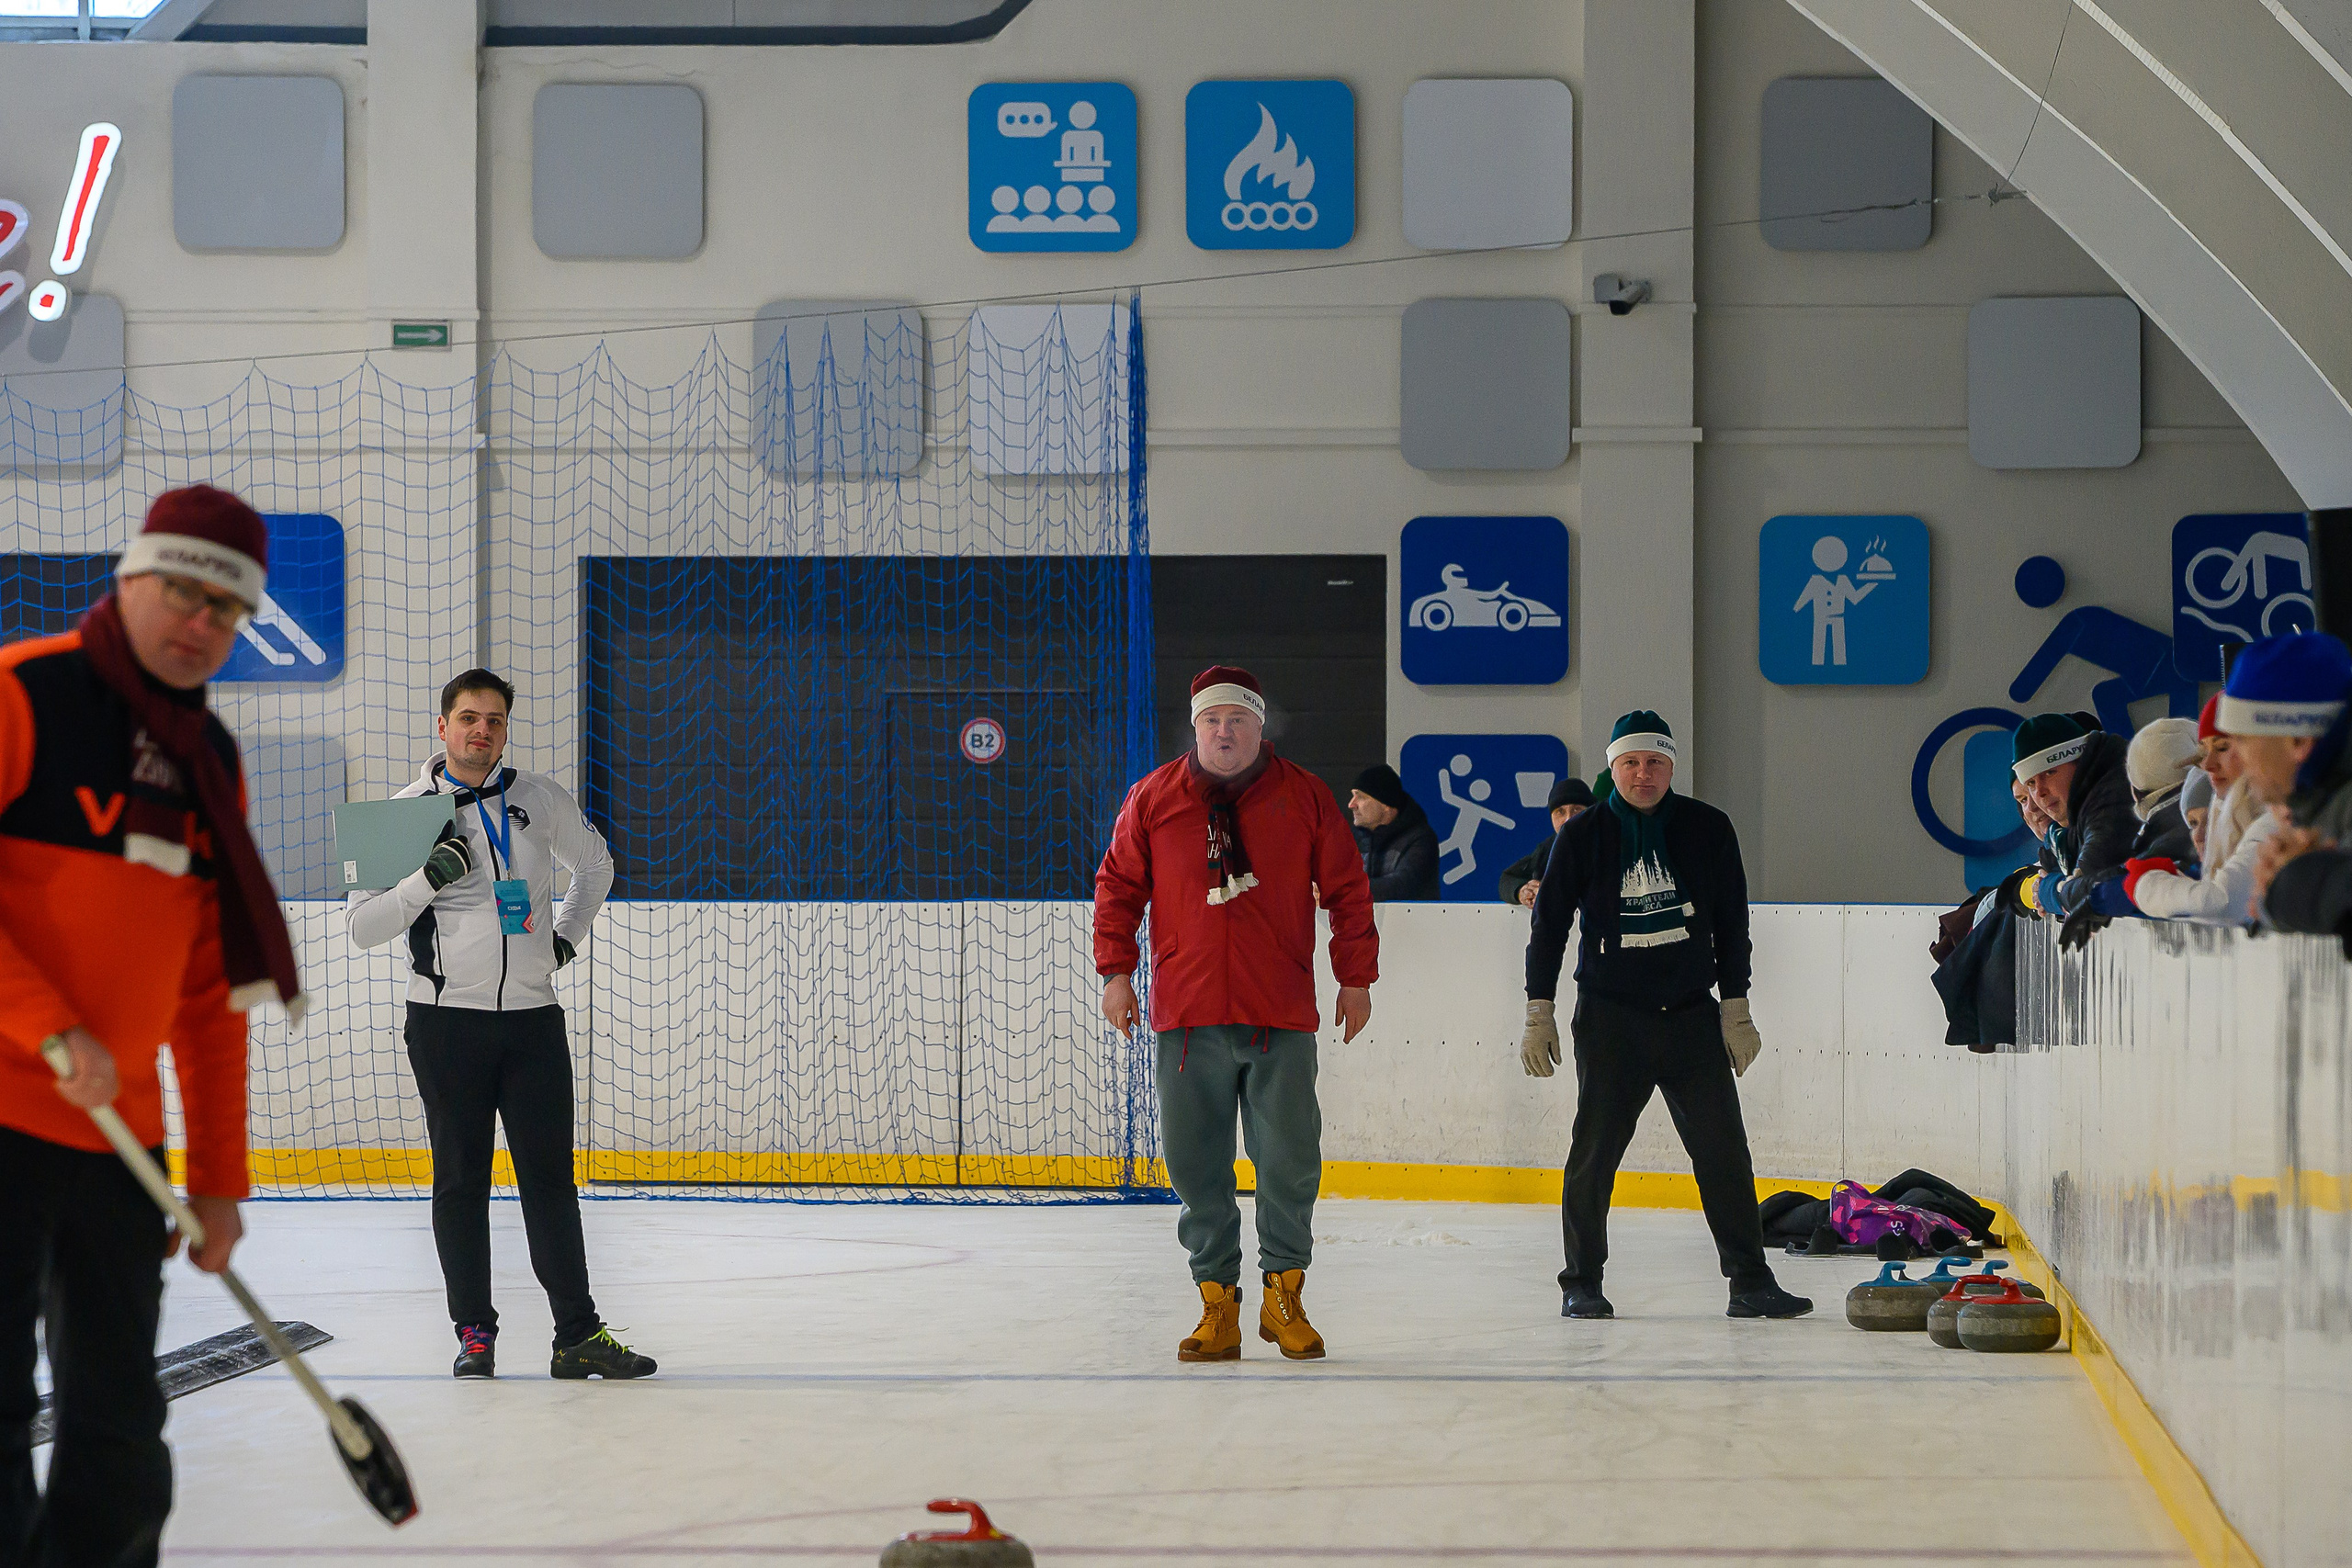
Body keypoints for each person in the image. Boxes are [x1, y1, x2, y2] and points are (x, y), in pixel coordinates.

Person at [0, 486, 305, 1564]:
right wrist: (45, 1024)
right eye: (182, 591)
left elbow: (208, 991)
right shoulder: (22, 694)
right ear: (129, 579)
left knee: (122, 1431)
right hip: (2, 1112)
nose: (200, 623)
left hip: (114, 1143)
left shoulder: (205, 762)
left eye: (225, 611)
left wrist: (219, 1176)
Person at [347, 669, 654, 1382]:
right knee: (461, 1181)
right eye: (467, 717)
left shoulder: (538, 798)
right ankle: (474, 1334)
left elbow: (597, 864)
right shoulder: (405, 811)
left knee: (551, 1181)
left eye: (493, 719)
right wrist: (425, 879)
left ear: (505, 729)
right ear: (442, 727)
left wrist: (566, 939)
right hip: (444, 1024)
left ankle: (577, 1334)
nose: (480, 729)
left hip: (532, 1022)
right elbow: (362, 925)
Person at [1095, 666, 1377, 1362]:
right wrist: (1116, 973)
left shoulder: (1305, 797)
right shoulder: (1155, 798)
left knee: (1288, 1163)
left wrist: (1355, 977)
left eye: (1238, 720)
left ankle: (1284, 1297)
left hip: (1277, 1013)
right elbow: (1119, 885)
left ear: (1260, 727)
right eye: (1212, 721)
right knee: (1197, 1168)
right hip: (1187, 1018)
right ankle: (1216, 1303)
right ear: (1196, 728)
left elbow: (1347, 888)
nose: (1225, 731)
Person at [1518, 710, 1810, 1322]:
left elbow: (1733, 922)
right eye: (1630, 762)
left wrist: (1736, 1007)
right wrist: (1537, 1010)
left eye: (1654, 761)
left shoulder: (1707, 828)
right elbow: (1549, 928)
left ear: (1672, 765)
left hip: (1689, 1018)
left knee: (1724, 1152)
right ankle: (1582, 1281)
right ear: (1612, 766)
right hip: (1610, 1018)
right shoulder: (1583, 835)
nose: (1642, 773)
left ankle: (1750, 1281)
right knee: (1593, 1155)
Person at [2217, 632, 2352, 940]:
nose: (2234, 759)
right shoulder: (2317, 809)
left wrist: (2294, 884)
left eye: (2243, 738)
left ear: (2298, 741)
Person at [1991, 713, 2137, 945]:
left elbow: (2087, 892)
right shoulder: (2064, 828)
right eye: (2030, 783)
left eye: (2049, 773)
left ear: (2081, 763)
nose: (2039, 793)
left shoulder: (2114, 803)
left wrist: (2048, 890)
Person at [1347, 763, 1440, 900]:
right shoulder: (1352, 840)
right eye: (1353, 796)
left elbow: (1402, 885)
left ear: (1385, 804)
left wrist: (1347, 890)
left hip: (1412, 921)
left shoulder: (1421, 839)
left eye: (1361, 797)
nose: (1351, 805)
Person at [1500, 776, 1595, 906]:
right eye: (1560, 812)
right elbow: (1507, 879)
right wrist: (1522, 891)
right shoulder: (1548, 848)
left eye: (1576, 809)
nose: (1568, 819)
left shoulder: (1609, 844)